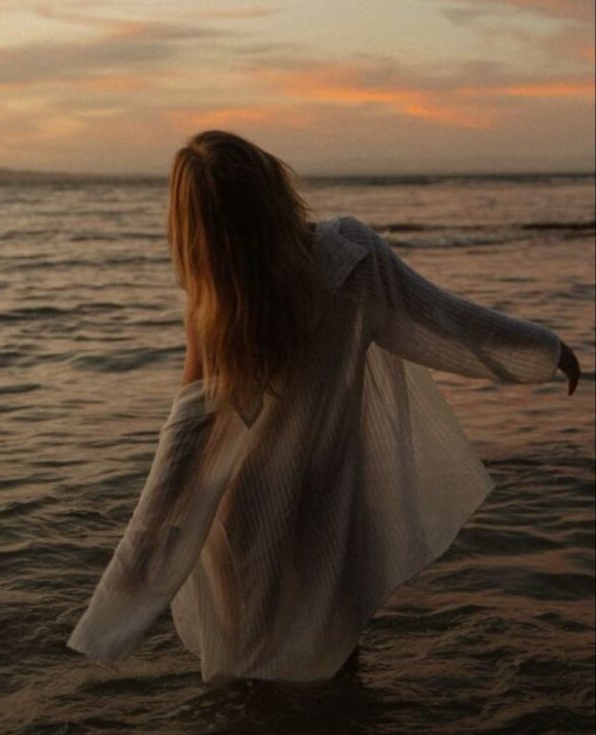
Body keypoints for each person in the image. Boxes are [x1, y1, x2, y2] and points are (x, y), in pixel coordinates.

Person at [66, 130, 581, 685]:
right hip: (325, 496)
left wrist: (126, 585)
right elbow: (439, 317)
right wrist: (545, 349)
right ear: (271, 186)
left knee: (250, 659)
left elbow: (185, 438)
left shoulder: (215, 305)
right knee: (333, 649)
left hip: (244, 508)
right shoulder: (349, 254)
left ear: (197, 226)